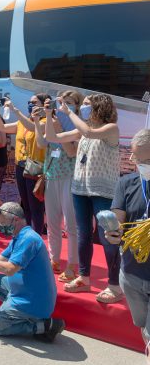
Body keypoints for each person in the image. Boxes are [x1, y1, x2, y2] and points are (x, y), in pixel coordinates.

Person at [51, 94, 123, 303]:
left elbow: (89, 133)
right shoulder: (83, 130)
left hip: (104, 191)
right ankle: (84, 277)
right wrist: (45, 118)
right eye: (82, 105)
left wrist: (68, 112)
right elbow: (55, 138)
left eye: (87, 104)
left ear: (99, 107)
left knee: (107, 236)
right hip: (80, 189)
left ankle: (114, 285)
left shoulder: (111, 129)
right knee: (84, 233)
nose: (83, 107)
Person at [0, 202, 64, 342]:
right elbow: (0, 259)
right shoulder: (19, 236)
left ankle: (41, 326)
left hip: (32, 299)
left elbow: (9, 269)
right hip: (23, 291)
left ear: (15, 219)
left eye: (3, 223)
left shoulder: (28, 239)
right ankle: (14, 312)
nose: (1, 227)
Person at [106, 129, 150, 344]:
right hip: (132, 274)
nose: (135, 161)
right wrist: (113, 232)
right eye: (133, 155)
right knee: (143, 328)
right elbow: (118, 221)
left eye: (144, 159)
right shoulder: (127, 183)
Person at [39, 90, 83, 282]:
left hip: (70, 176)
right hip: (51, 175)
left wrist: (58, 129)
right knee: (53, 223)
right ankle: (54, 259)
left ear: (77, 105)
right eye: (62, 101)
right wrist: (44, 119)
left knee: (71, 225)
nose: (65, 105)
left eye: (70, 102)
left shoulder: (78, 124)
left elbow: (72, 152)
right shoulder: (53, 119)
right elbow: (42, 143)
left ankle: (73, 265)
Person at [0, 93, 50, 235]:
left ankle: (37, 238)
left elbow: (32, 127)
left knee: (35, 206)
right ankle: (27, 235)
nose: (31, 105)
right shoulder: (21, 123)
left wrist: (15, 110)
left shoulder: (46, 122)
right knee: (25, 205)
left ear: (44, 105)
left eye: (35, 102)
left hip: (35, 167)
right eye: (29, 102)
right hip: (21, 166)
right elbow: (1, 127)